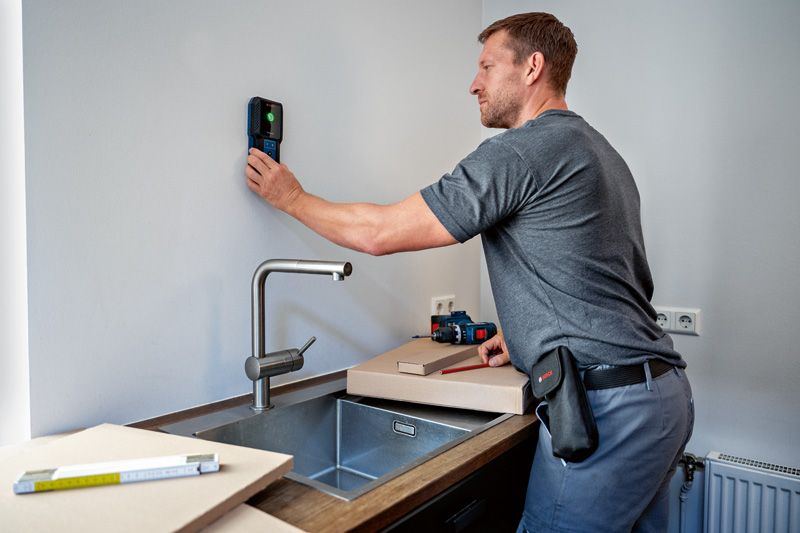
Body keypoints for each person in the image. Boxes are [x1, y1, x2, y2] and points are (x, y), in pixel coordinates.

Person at [245, 11, 694, 532]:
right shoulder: (600, 153)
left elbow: (380, 233)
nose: (473, 84)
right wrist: (526, 336)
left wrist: (292, 198)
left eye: (487, 66)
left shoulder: (519, 153)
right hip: (661, 398)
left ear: (532, 67)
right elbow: (604, 283)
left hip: (606, 410)